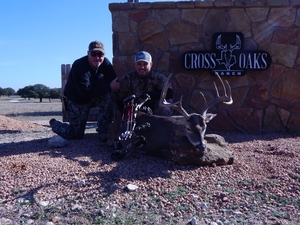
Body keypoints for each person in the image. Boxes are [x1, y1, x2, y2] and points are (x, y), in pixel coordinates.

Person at [49, 40, 120, 141]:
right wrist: (106, 85)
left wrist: (94, 84)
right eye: (93, 54)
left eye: (100, 54)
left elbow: (114, 80)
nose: (97, 57)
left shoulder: (106, 63)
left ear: (104, 55)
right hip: (77, 99)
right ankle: (55, 124)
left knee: (109, 95)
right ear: (88, 54)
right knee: (75, 134)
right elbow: (85, 92)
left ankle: (104, 131)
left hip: (94, 95)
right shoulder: (79, 65)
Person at [116, 51, 173, 116]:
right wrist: (125, 113)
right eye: (139, 64)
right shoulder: (127, 78)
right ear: (135, 65)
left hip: (155, 111)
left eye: (145, 64)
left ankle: (162, 124)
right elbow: (119, 98)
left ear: (151, 64)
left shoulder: (159, 77)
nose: (142, 67)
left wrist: (150, 95)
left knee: (165, 104)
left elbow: (170, 93)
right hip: (135, 111)